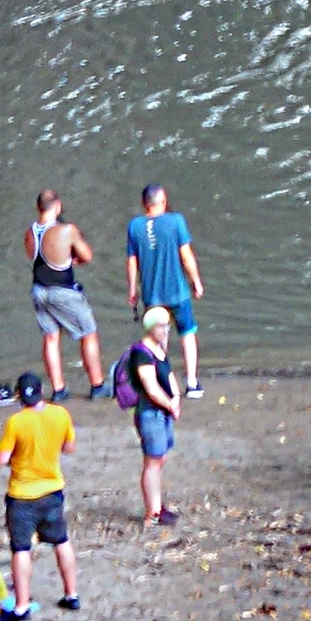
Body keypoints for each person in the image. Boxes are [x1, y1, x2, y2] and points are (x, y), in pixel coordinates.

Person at [0, 370, 82, 618]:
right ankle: (71, 594)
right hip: (52, 490)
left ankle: (21, 605)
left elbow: (0, 460)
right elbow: (70, 447)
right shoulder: (60, 414)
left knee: (21, 548)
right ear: (42, 391)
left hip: (22, 496)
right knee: (61, 541)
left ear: (20, 396)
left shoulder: (16, 422)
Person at [124, 182, 205, 396]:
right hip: (177, 292)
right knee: (187, 334)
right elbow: (186, 256)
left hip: (152, 295)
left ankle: (163, 384)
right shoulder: (176, 221)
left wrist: (132, 289)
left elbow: (132, 261)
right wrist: (196, 281)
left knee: (159, 338)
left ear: (144, 203)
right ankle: (192, 383)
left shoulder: (135, 226)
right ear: (164, 200)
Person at [26, 188, 104, 399]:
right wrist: (74, 258)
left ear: (38, 207)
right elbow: (87, 255)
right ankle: (97, 385)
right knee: (88, 333)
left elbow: (38, 259)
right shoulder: (67, 229)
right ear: (57, 206)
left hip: (38, 291)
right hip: (62, 291)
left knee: (51, 338)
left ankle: (59, 390)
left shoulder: (30, 232)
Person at [127, 307, 182, 526]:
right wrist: (169, 403)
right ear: (151, 328)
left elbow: (167, 374)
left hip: (164, 413)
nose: (166, 330)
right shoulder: (141, 354)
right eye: (161, 326)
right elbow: (150, 387)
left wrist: (176, 397)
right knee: (152, 461)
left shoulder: (159, 349)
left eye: (167, 326)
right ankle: (152, 513)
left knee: (160, 458)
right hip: (150, 413)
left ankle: (158, 506)